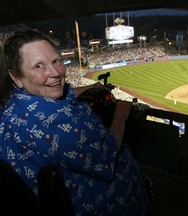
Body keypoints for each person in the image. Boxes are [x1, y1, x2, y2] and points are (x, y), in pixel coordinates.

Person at [0, 29, 149, 215]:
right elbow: (107, 154)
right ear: (16, 77)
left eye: (56, 61)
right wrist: (121, 115)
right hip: (82, 202)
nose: (54, 72)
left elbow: (59, 93)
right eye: (39, 66)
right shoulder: (50, 124)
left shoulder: (18, 101)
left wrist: (90, 87)